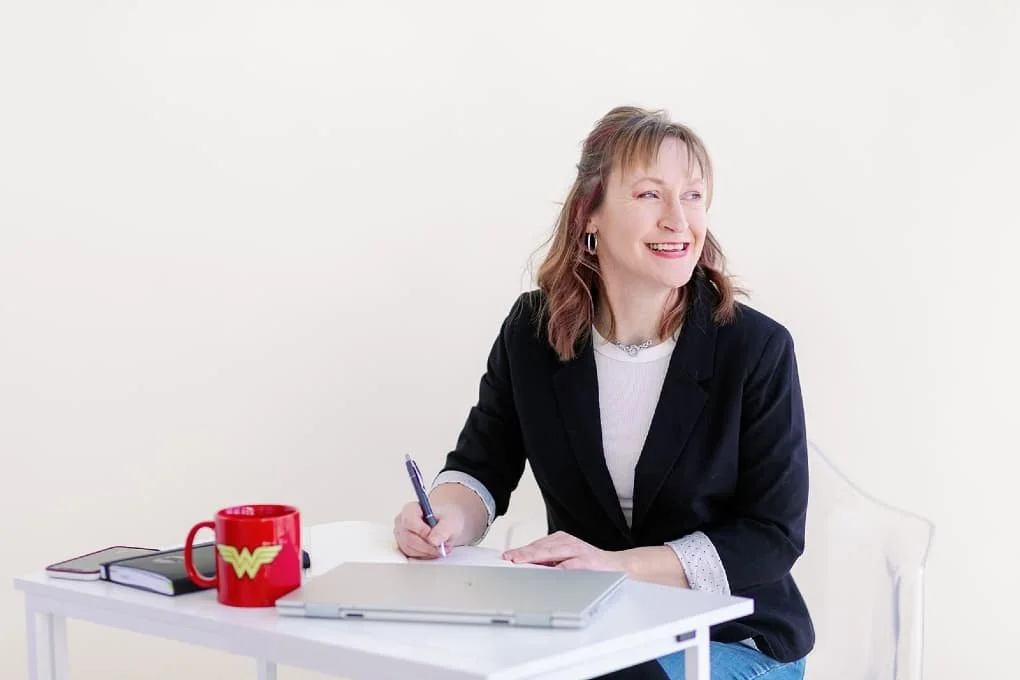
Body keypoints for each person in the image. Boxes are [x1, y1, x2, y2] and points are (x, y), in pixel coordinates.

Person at [393, 105, 814, 680]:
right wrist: (438, 519)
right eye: (649, 195)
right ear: (589, 214)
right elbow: (481, 468)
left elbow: (772, 537)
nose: (678, 220)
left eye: (692, 196)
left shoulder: (756, 349)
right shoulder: (535, 331)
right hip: (592, 631)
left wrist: (617, 566)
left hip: (731, 639)